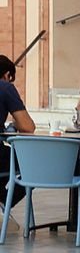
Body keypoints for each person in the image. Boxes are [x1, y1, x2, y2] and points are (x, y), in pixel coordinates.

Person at [0, 55, 35, 212]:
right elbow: (28, 127)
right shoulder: (5, 87)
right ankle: (4, 201)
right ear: (7, 75)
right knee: (37, 164)